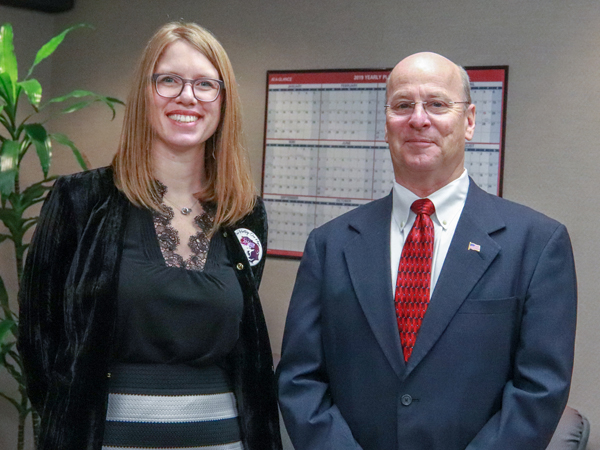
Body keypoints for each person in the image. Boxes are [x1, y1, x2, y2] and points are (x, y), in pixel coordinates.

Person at [277, 52, 577, 449]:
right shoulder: (330, 244)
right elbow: (300, 378)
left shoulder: (537, 243)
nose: (419, 119)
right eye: (403, 105)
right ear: (386, 124)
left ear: (468, 121)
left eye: (437, 104)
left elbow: (540, 389)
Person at [18, 22, 281, 450]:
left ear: (223, 101)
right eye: (169, 80)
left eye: (205, 85)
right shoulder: (80, 201)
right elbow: (38, 340)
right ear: (145, 92)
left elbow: (242, 346)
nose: (187, 96)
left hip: (223, 440)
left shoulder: (245, 214)